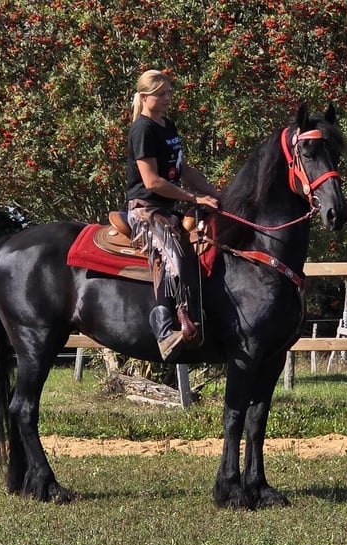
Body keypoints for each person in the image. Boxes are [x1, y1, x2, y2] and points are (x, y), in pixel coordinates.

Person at [126, 69, 219, 361]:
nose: (168, 98)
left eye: (169, 92)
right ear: (144, 97)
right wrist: (193, 197)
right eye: (161, 93)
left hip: (168, 208)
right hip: (145, 210)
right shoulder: (142, 129)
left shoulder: (168, 125)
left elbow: (182, 169)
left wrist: (216, 195)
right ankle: (165, 331)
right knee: (173, 257)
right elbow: (152, 181)